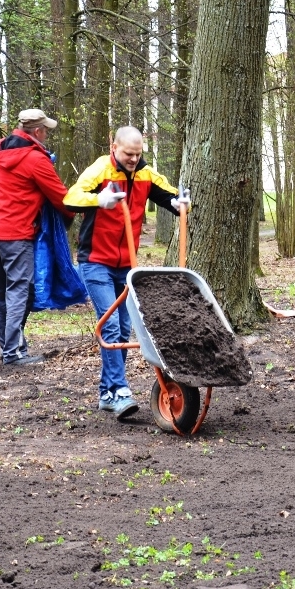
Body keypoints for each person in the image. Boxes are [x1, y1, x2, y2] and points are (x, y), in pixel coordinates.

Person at [64, 126, 190, 420]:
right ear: (114, 147)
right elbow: (71, 197)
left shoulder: (146, 173)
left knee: (122, 330)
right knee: (109, 326)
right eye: (128, 154)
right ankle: (120, 391)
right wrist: (99, 200)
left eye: (138, 153)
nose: (133, 159)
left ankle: (107, 393)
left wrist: (181, 203)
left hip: (127, 266)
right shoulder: (101, 169)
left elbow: (172, 195)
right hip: (95, 260)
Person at [0, 108, 74, 366]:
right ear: (36, 131)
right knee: (20, 292)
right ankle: (12, 353)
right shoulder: (35, 160)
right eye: (45, 130)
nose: (47, 135)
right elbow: (61, 197)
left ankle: (10, 348)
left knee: (2, 294)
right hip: (16, 235)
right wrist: (70, 218)